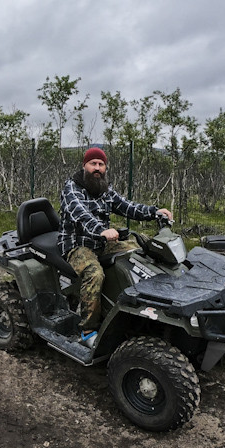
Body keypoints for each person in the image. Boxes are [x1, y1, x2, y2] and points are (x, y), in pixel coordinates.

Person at [58, 147, 172, 347]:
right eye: (93, 163)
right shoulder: (72, 188)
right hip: (77, 244)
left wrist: (155, 212)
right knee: (95, 274)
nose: (97, 168)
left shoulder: (104, 189)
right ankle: (87, 330)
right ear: (84, 165)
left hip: (102, 242)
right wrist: (101, 230)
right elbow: (80, 214)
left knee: (138, 250)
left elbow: (127, 206)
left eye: (101, 164)